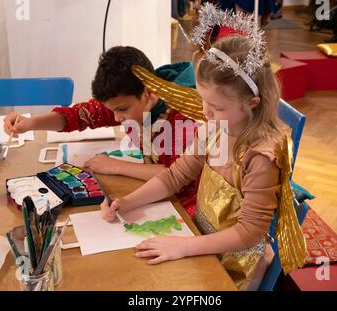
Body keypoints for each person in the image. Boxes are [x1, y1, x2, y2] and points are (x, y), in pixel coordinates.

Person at [100, 19, 306, 289]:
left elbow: (248, 232)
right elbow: (177, 175)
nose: (205, 113)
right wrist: (127, 202)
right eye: (202, 100)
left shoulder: (261, 158)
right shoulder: (215, 128)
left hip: (236, 266)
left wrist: (184, 247)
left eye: (216, 106)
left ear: (251, 104)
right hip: (200, 239)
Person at [3, 46, 200, 218]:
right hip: (155, 192)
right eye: (112, 110)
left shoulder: (185, 117)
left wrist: (116, 166)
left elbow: (178, 175)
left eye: (121, 110)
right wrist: (31, 123)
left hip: (187, 205)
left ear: (148, 92)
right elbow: (80, 115)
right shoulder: (129, 98)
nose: (115, 118)